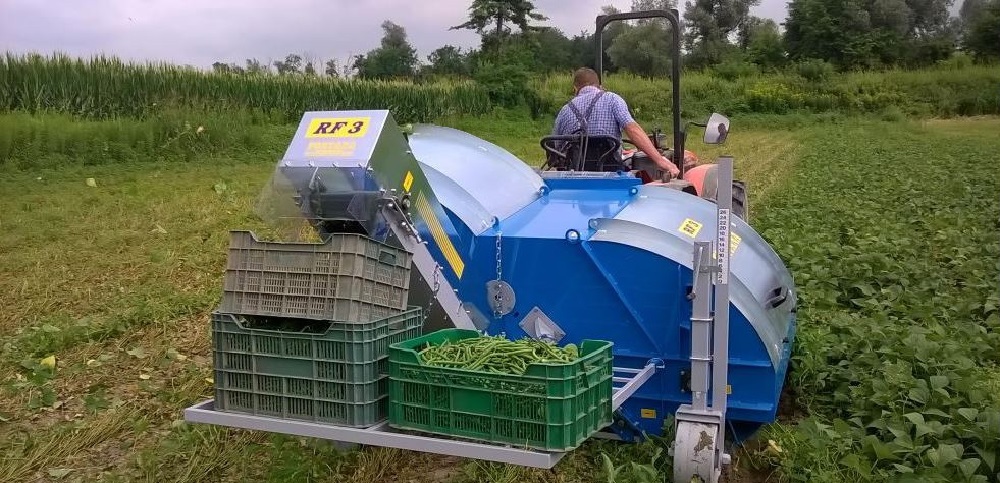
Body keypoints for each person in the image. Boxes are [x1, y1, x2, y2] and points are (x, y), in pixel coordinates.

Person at [551, 67, 680, 178]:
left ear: (575, 88)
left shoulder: (565, 110)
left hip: (575, 179)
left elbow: (557, 148)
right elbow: (632, 129)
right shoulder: (612, 99)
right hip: (609, 174)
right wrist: (660, 160)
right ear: (599, 86)